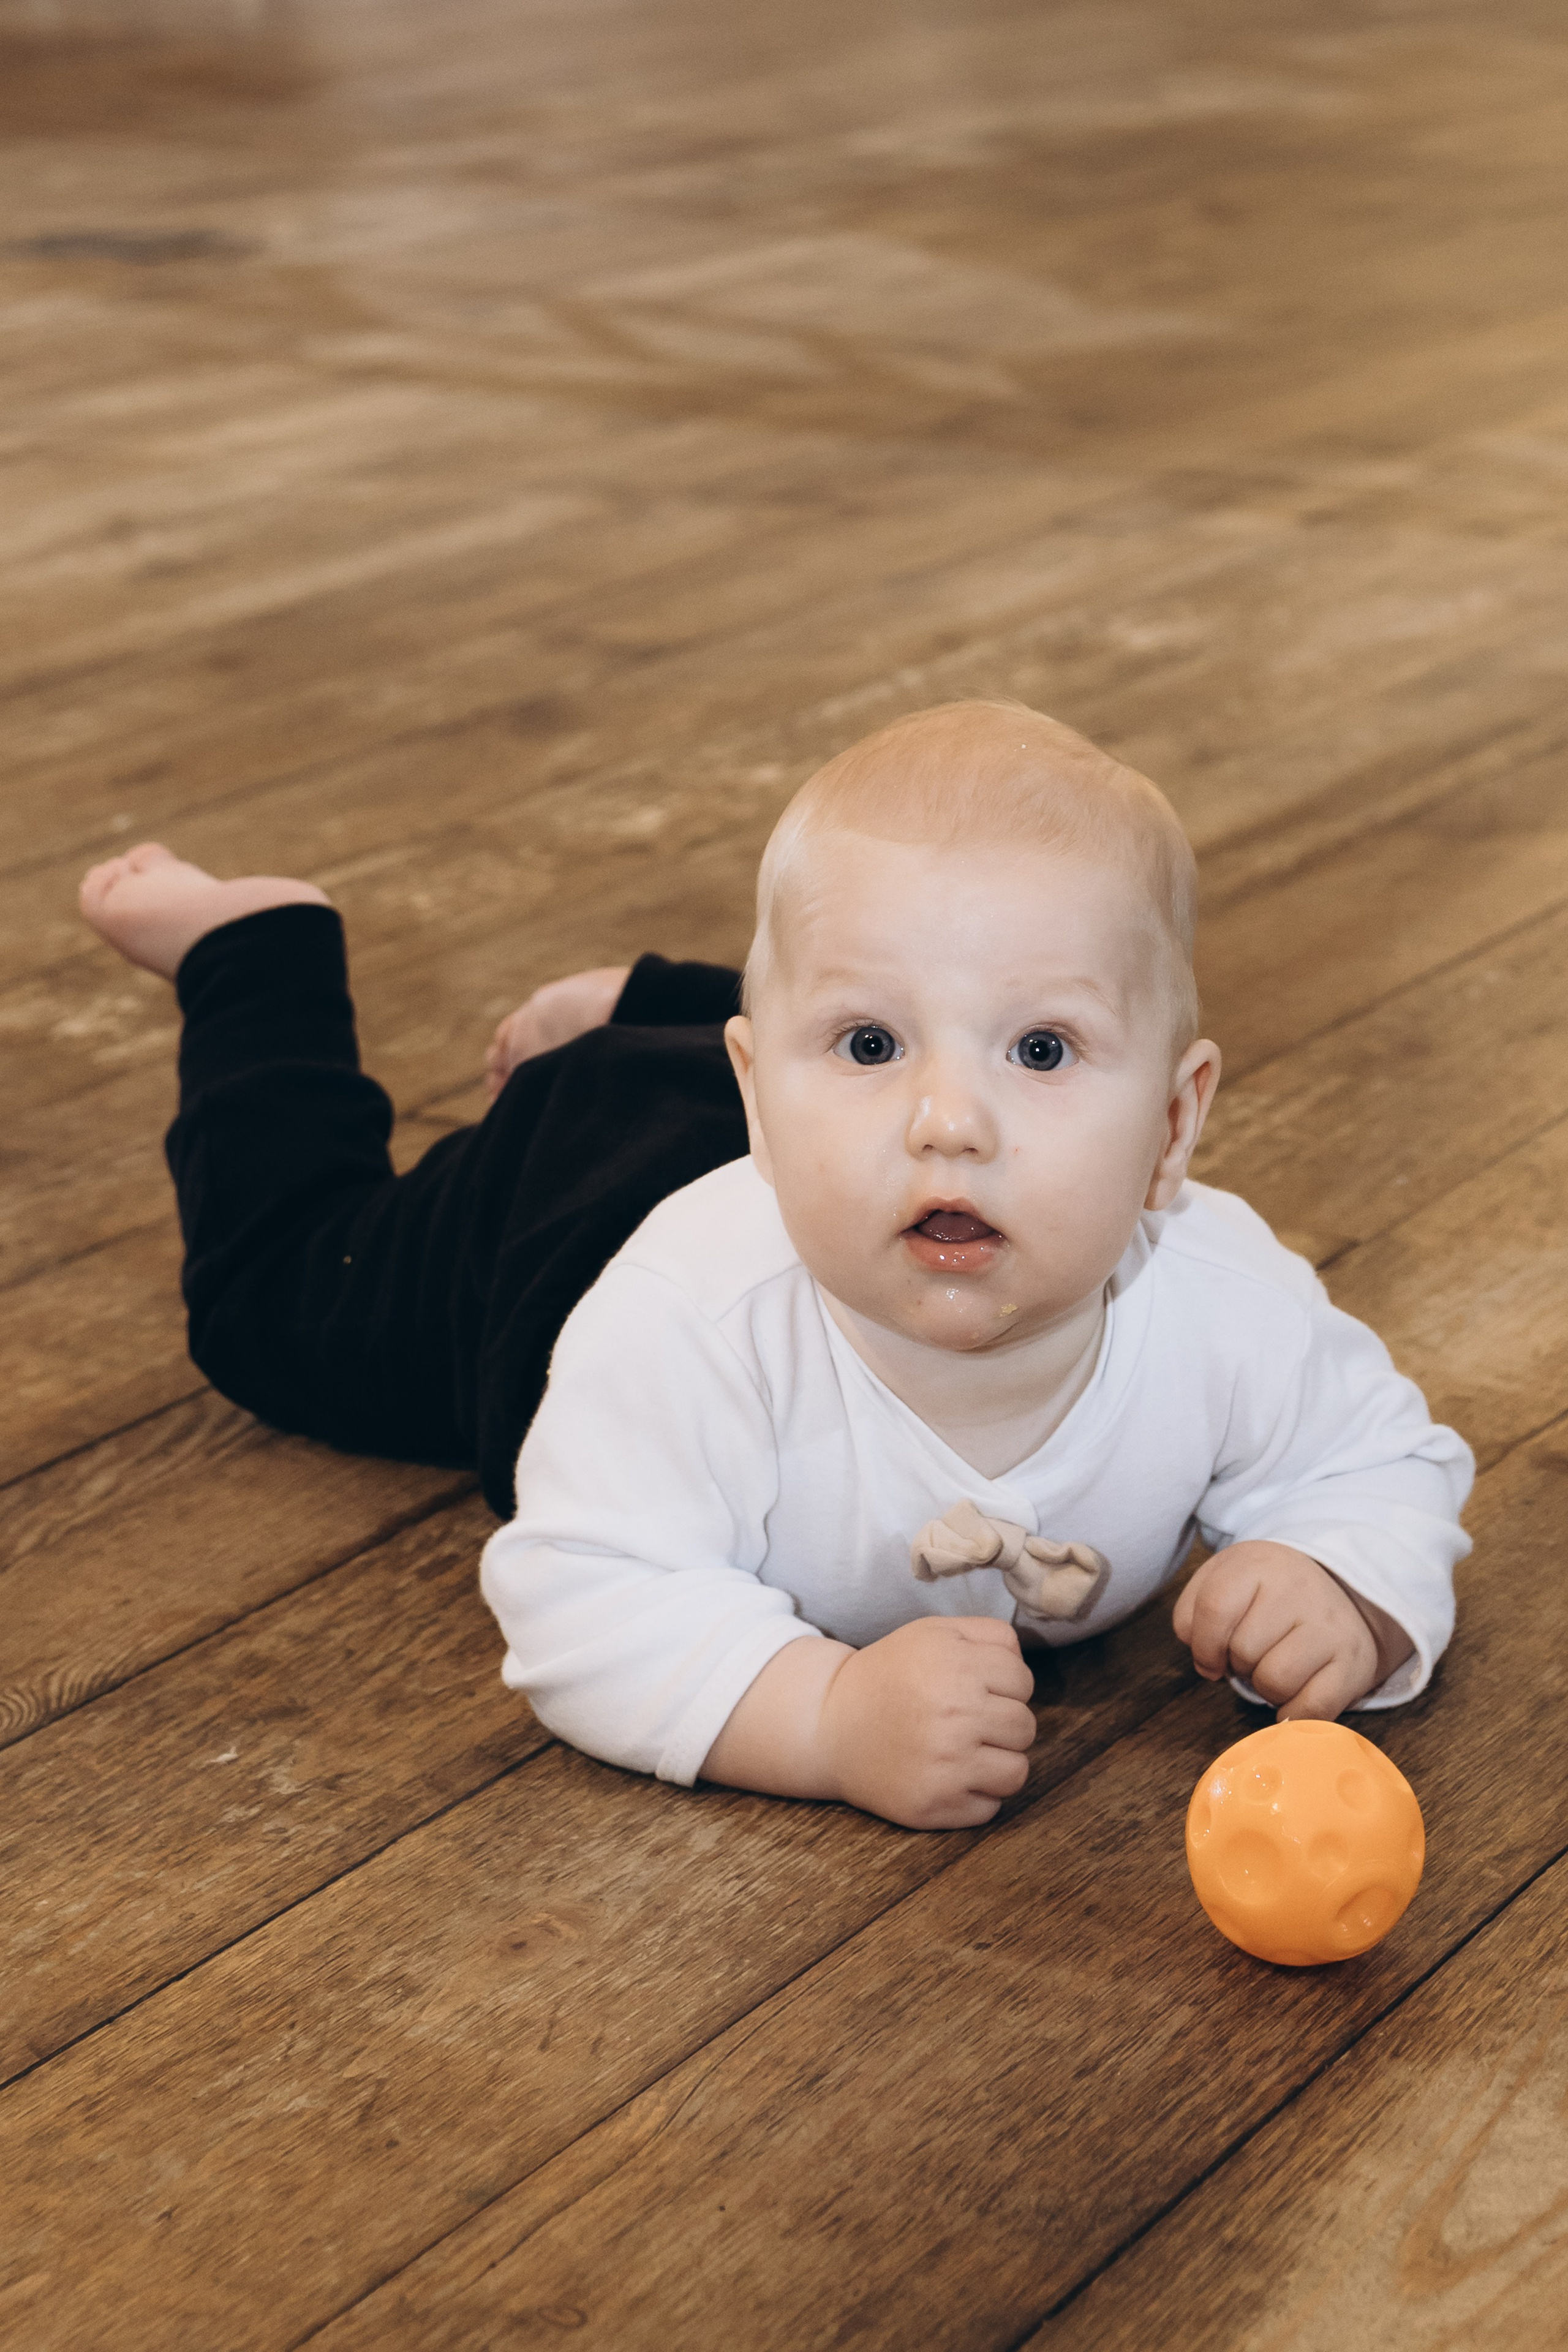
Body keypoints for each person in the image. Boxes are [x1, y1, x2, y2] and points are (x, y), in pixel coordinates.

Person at [81, 701, 1472, 1832]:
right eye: (875, 1047)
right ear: (764, 1100)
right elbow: (583, 1603)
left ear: (1172, 1126)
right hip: (559, 1208)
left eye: (1038, 1051)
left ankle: (689, 1009)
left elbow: (1386, 1462)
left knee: (871, 1028)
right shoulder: (686, 1326)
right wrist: (822, 1719)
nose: (952, 1120)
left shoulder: (1216, 1298)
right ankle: (253, 951)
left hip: (792, 1134)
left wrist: (1337, 1575)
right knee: (283, 1312)